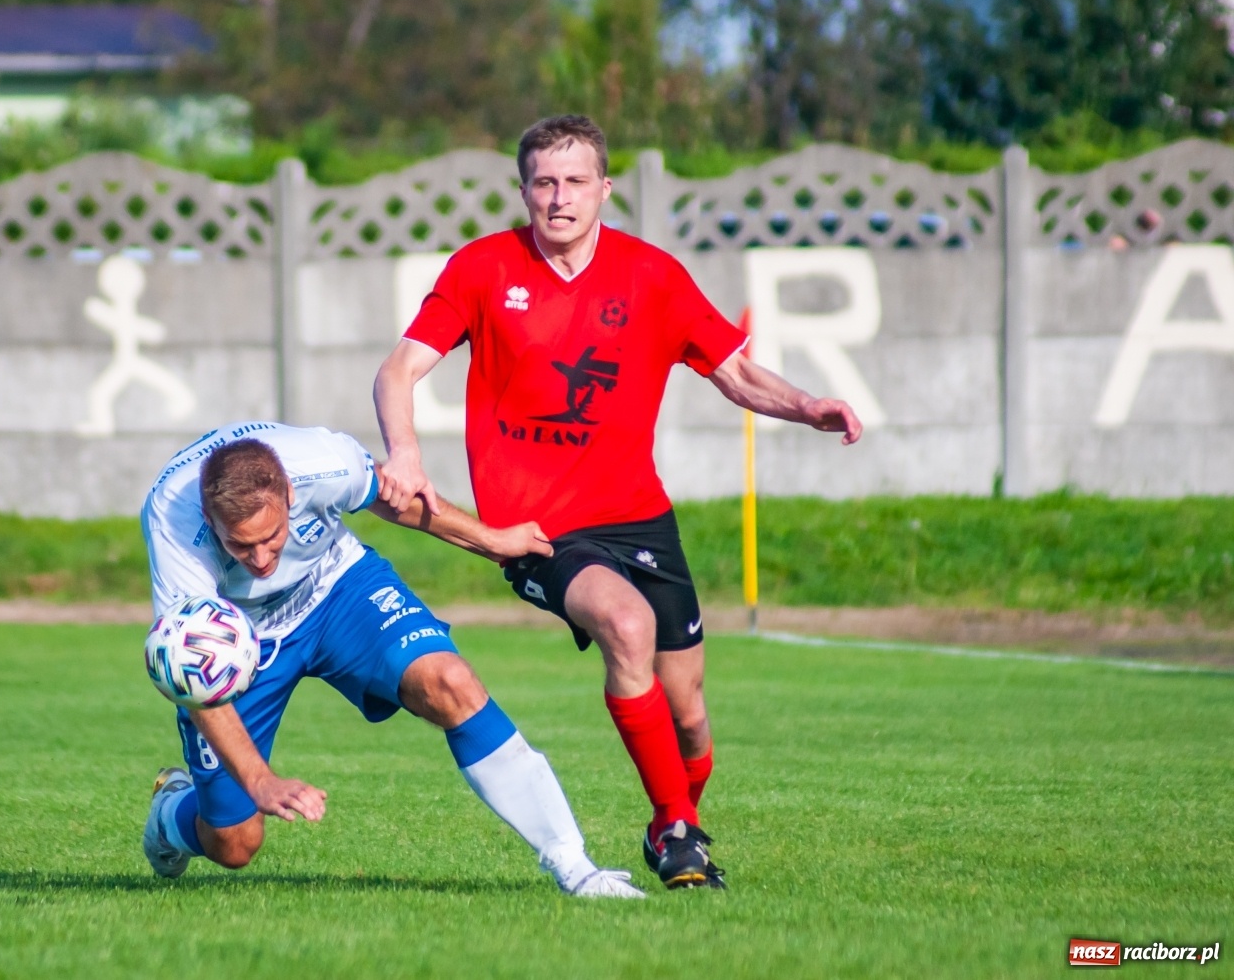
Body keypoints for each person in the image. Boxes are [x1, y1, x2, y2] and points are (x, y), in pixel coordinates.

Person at [372, 115, 863, 890]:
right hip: (537, 528)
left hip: (640, 515)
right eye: (543, 181)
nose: (558, 197)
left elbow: (733, 371)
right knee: (624, 626)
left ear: (605, 188)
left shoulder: (652, 276)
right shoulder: (483, 269)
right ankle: (675, 833)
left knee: (689, 710)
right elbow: (399, 369)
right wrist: (406, 450)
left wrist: (809, 407)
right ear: (524, 188)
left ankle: (678, 816)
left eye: (574, 181)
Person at [139, 420, 643, 898]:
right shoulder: (173, 522)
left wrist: (491, 541)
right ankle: (171, 813)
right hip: (237, 636)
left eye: (272, 537)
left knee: (450, 682)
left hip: (337, 591)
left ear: (291, 496)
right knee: (234, 844)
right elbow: (190, 674)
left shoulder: (322, 460)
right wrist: (260, 781)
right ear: (210, 520)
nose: (262, 559)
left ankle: (575, 866)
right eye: (240, 546)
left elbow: (390, 499)